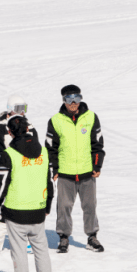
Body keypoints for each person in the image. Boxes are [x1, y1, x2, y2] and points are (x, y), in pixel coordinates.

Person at [0, 115, 54, 272]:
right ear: (28, 129)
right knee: (41, 250)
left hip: (16, 212)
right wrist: (47, 204)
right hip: (38, 210)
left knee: (19, 251)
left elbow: (0, 186)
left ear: (9, 132)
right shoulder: (44, 152)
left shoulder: (10, 154)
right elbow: (49, 182)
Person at [45, 84, 105, 253]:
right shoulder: (56, 121)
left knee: (90, 206)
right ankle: (64, 238)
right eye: (69, 99)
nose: (73, 103)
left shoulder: (91, 117)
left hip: (87, 172)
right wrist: (54, 169)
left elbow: (98, 145)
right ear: (63, 101)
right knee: (63, 206)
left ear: (81, 99)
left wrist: (97, 165)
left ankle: (92, 237)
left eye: (77, 98)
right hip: (65, 173)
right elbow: (51, 148)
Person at [0, 94, 28, 257]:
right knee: (7, 206)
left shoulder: (28, 126)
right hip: (8, 173)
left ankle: (26, 239)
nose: (22, 113)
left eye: (24, 109)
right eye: (19, 109)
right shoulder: (0, 129)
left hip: (25, 172)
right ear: (10, 110)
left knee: (26, 206)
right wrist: (4, 160)